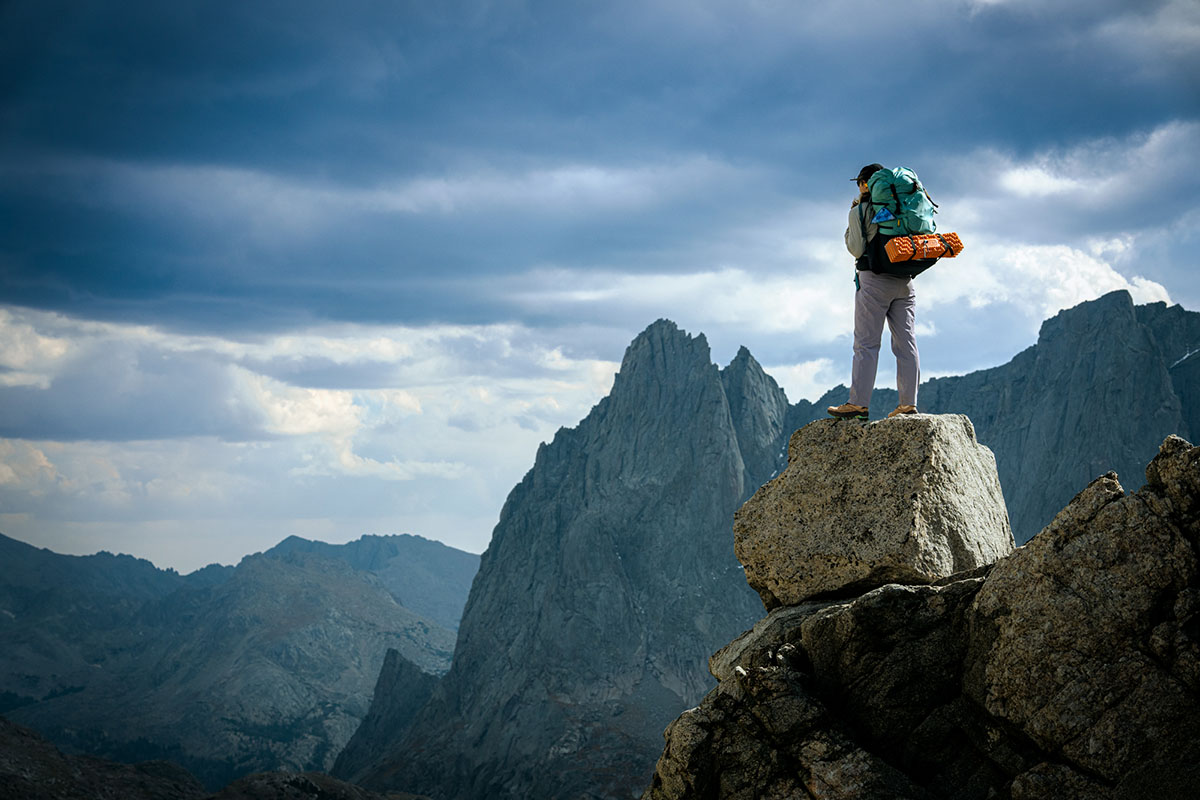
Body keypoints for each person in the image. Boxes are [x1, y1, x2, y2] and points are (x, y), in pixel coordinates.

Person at [827, 163, 920, 420]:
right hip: (904, 280)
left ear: (865, 184)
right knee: (906, 343)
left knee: (866, 344)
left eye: (859, 182)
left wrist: (850, 230)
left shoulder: (861, 210)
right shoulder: (902, 203)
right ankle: (908, 404)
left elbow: (856, 248)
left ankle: (858, 404)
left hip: (874, 280)